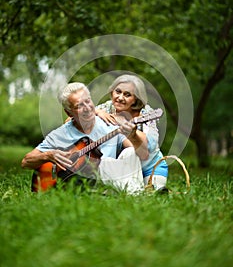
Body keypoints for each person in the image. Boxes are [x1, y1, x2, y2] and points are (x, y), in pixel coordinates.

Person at [21, 82, 149, 193]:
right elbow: (26, 162)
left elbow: (142, 153)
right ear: (68, 112)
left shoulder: (109, 123)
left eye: (88, 101)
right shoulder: (59, 135)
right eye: (79, 106)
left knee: (129, 152)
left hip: (110, 179)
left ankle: (135, 193)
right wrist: (48, 155)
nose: (87, 108)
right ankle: (138, 193)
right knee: (97, 165)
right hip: (79, 184)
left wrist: (133, 135)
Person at [96, 74, 168, 191]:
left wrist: (133, 134)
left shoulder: (146, 113)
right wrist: (96, 111)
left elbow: (151, 145)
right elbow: (72, 119)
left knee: (155, 193)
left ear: (136, 99)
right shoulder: (107, 107)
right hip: (126, 163)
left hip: (149, 166)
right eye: (117, 92)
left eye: (127, 95)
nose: (120, 97)